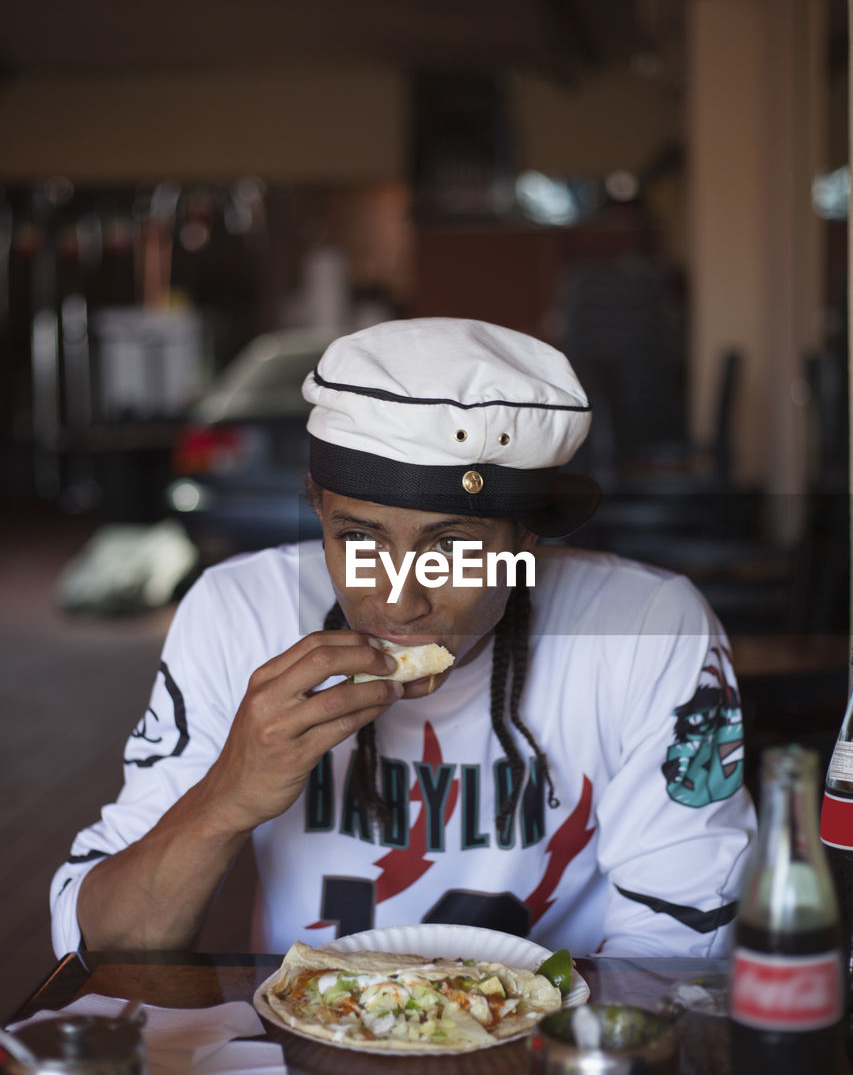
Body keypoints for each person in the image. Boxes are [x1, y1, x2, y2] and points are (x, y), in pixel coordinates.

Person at [50, 318, 755, 959]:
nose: (398, 600)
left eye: (449, 549)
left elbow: (678, 948)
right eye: (357, 539)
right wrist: (226, 799)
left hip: (555, 1063)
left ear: (526, 537)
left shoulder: (644, 628)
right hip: (306, 1071)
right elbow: (97, 942)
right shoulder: (238, 613)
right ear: (317, 509)